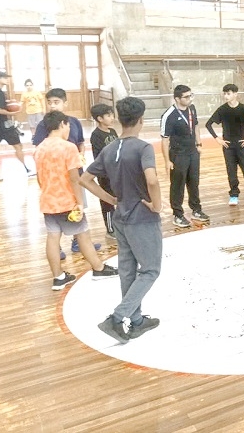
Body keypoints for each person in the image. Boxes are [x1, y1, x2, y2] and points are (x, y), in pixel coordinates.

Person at [80, 97, 164, 344]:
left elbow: (84, 179)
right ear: (141, 120)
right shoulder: (142, 148)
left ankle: (136, 321)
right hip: (142, 218)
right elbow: (152, 180)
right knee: (150, 270)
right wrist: (157, 205)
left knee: (128, 271)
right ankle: (118, 318)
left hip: (121, 218)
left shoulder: (109, 148)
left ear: (118, 118)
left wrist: (111, 199)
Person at [34, 110, 118, 292]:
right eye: (68, 126)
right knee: (83, 236)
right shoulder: (68, 147)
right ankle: (99, 268)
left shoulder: (39, 148)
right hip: (67, 202)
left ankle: (58, 277)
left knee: (52, 238)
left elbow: (40, 178)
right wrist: (79, 202)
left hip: (48, 201)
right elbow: (74, 178)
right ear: (63, 124)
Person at [33, 88, 98, 257]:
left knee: (78, 208)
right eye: (49, 102)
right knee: (61, 217)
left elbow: (81, 143)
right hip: (56, 180)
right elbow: (40, 152)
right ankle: (60, 248)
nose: (53, 106)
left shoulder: (74, 122)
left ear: (65, 103)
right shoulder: (44, 125)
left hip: (75, 172)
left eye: (56, 102)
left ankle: (78, 242)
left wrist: (81, 154)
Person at [205, 84, 244, 205]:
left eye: (228, 93)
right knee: (231, 171)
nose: (226, 96)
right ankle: (234, 194)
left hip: (242, 145)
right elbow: (208, 124)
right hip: (228, 146)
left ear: (235, 94)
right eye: (224, 93)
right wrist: (217, 138)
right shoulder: (222, 109)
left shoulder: (243, 109)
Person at [160, 85, 210, 226]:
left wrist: (199, 144)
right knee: (177, 185)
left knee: (194, 182)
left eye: (190, 95)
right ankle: (177, 214)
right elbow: (164, 139)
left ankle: (196, 210)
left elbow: (195, 126)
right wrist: (167, 161)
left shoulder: (192, 109)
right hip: (178, 155)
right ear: (177, 98)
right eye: (186, 97)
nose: (189, 99)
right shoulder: (168, 115)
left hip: (193, 153)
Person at [0, 70, 33, 182]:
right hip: (4, 125)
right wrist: (12, 113)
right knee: (18, 146)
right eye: (4, 77)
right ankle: (27, 170)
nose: (7, 79)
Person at [90, 103, 119, 237]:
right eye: (108, 115)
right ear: (99, 118)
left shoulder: (113, 132)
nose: (112, 117)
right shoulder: (96, 135)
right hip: (105, 175)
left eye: (112, 114)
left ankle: (120, 224)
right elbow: (99, 157)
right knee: (107, 201)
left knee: (119, 198)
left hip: (117, 172)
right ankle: (110, 229)